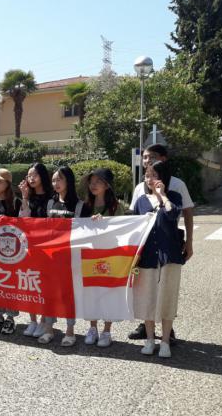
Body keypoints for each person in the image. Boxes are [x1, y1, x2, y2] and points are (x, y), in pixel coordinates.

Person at [128, 144, 194, 343]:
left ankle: (167, 331)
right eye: (145, 157)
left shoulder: (176, 185)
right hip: (148, 248)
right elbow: (133, 218)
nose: (147, 160)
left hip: (169, 245)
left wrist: (189, 242)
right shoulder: (140, 188)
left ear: (163, 159)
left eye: (152, 157)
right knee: (146, 287)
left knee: (167, 287)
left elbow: (187, 213)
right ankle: (145, 328)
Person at [132, 160, 184, 358]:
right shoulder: (141, 201)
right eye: (147, 175)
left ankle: (165, 341)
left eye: (154, 175)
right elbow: (132, 226)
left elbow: (172, 216)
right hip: (146, 258)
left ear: (164, 178)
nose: (150, 179)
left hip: (169, 256)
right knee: (147, 298)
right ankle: (150, 339)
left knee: (167, 298)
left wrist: (162, 196)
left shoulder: (174, 197)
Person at [37, 165, 90, 346]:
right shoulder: (50, 203)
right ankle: (49, 329)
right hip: (50, 258)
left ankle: (70, 331)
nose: (56, 183)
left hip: (70, 258)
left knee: (68, 295)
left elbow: (86, 231)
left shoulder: (80, 205)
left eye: (59, 179)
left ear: (69, 181)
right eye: (53, 180)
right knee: (49, 293)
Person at [81, 167, 125, 347]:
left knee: (108, 292)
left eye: (98, 182)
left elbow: (123, 229)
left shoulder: (117, 206)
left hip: (110, 256)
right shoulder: (85, 206)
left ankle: (107, 330)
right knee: (91, 292)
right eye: (91, 182)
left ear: (107, 185)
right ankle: (92, 327)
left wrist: (106, 223)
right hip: (89, 255)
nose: (93, 185)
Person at [18, 162, 52, 337]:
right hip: (28, 247)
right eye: (29, 175)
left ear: (42, 177)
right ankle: (32, 320)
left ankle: (44, 320)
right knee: (29, 284)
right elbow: (22, 219)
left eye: (35, 175)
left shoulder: (51, 197)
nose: (31, 178)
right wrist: (24, 197)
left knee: (44, 286)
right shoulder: (28, 197)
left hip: (45, 248)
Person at [0, 168, 22, 335]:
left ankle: (11, 318)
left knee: (10, 283)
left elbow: (24, 226)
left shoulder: (16, 203)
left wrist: (8, 221)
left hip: (12, 252)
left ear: (7, 183)